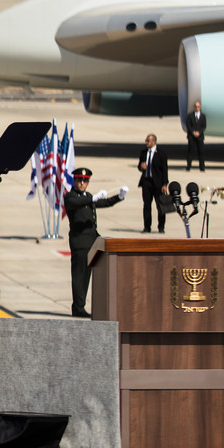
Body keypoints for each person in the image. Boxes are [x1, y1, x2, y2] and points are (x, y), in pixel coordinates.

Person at [63, 168, 126, 319]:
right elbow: (77, 203)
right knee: (79, 276)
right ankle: (77, 307)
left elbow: (103, 203)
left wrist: (119, 197)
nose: (82, 183)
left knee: (86, 276)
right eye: (80, 180)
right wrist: (92, 199)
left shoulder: (88, 196)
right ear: (75, 181)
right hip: (79, 242)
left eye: (85, 181)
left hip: (91, 241)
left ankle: (81, 305)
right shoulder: (70, 197)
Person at [137, 133, 168, 233]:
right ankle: (147, 227)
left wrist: (164, 184)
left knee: (160, 206)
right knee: (146, 206)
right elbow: (139, 166)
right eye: (146, 141)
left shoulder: (161, 153)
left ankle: (161, 227)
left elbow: (164, 170)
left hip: (158, 183)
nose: (146, 143)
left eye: (148, 141)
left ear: (153, 142)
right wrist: (141, 167)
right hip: (146, 182)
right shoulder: (143, 152)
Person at [185, 102, 206, 172]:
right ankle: (188, 166)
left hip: (200, 137)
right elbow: (188, 125)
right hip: (192, 136)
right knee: (190, 151)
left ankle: (202, 167)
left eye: (198, 107)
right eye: (196, 107)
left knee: (201, 152)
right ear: (194, 107)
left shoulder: (203, 116)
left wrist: (199, 132)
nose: (197, 108)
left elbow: (204, 126)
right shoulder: (190, 116)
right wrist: (193, 132)